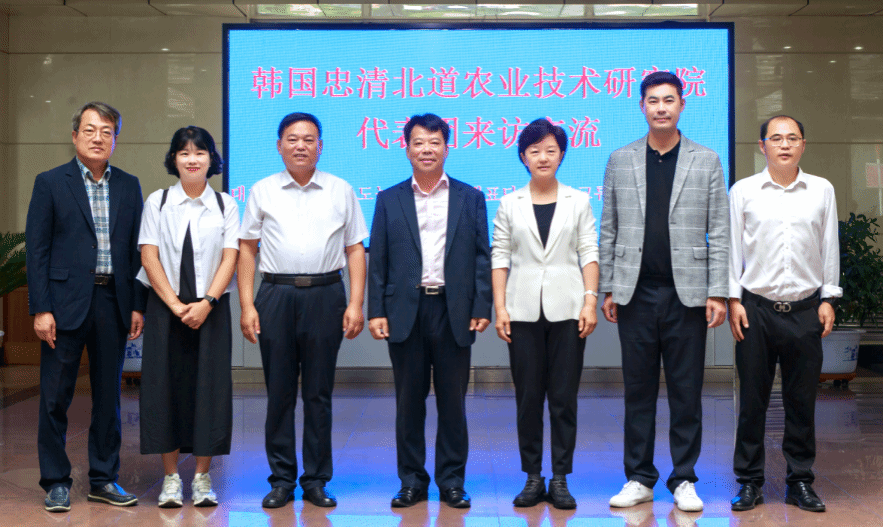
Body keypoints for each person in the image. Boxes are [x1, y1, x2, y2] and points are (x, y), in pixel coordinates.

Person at [599, 72, 729, 512]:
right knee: (637, 391)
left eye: (668, 100)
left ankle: (684, 478)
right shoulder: (621, 159)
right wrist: (609, 287)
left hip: (687, 295)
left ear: (682, 105)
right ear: (642, 106)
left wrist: (718, 291)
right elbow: (609, 228)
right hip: (635, 292)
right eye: (653, 100)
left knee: (686, 391)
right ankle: (638, 477)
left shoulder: (706, 160)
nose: (661, 108)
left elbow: (720, 231)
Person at [238, 112, 368, 509]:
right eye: (292, 139)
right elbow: (247, 248)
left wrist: (356, 302)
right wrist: (247, 304)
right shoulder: (262, 190)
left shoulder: (340, 189)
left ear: (320, 147)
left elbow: (354, 248)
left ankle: (316, 480)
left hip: (326, 294)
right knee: (279, 393)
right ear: (279, 146)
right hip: (275, 294)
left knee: (318, 393)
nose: (300, 146)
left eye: (308, 139)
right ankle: (281, 480)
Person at [368, 113, 492, 509]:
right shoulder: (389, 199)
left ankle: (452, 481)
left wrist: (482, 304)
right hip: (405, 310)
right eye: (419, 142)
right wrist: (376, 310)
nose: (427, 149)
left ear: (446, 148)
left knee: (453, 403)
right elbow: (378, 260)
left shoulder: (470, 197)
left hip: (454, 310)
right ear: (406, 149)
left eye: (435, 142)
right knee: (409, 402)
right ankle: (411, 481)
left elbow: (482, 256)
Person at [26, 101, 145, 512]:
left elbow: (136, 251)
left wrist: (137, 304)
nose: (98, 138)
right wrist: (41, 308)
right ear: (75, 135)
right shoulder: (50, 182)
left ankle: (103, 478)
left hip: (113, 301)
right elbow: (37, 250)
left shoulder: (128, 185)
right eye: (90, 130)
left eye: (107, 131)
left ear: (115, 139)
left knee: (108, 397)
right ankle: (56, 481)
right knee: (54, 397)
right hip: (63, 306)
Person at [728, 115, 840, 513]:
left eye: (793, 138)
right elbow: (732, 249)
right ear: (763, 146)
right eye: (776, 138)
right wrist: (733, 300)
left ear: (803, 144)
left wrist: (829, 297)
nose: (785, 144)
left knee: (801, 402)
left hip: (806, 309)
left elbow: (829, 244)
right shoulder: (743, 191)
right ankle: (749, 483)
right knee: (752, 402)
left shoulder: (822, 190)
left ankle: (800, 481)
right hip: (755, 309)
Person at [491, 118, 600, 509]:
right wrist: (500, 307)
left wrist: (590, 301)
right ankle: (533, 476)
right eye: (535, 151)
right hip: (521, 311)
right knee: (528, 397)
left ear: (561, 155)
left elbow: (589, 251)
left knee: (564, 398)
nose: (543, 157)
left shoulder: (578, 200)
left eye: (550, 150)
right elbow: (500, 256)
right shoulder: (509, 203)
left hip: (568, 310)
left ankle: (560, 478)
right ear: (523, 156)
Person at [137, 126, 239, 508]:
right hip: (166, 310)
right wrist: (175, 304)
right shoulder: (158, 201)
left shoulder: (226, 205)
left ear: (212, 159)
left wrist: (207, 302)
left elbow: (231, 257)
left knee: (210, 389)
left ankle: (201, 478)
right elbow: (149, 255)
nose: (192, 159)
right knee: (163, 388)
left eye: (200, 152)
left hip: (211, 311)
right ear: (174, 159)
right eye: (184, 152)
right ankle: (169, 480)